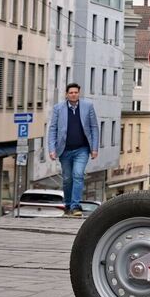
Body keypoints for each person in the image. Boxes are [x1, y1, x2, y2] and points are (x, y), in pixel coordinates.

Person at [47, 83, 100, 216]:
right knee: (67, 179)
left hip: (82, 149)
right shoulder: (58, 108)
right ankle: (68, 204)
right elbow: (53, 128)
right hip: (64, 150)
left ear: (79, 93)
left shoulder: (88, 107)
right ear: (66, 94)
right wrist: (51, 149)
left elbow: (94, 127)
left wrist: (94, 148)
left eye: (76, 92)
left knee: (78, 175)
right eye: (71, 92)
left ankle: (75, 206)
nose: (73, 94)